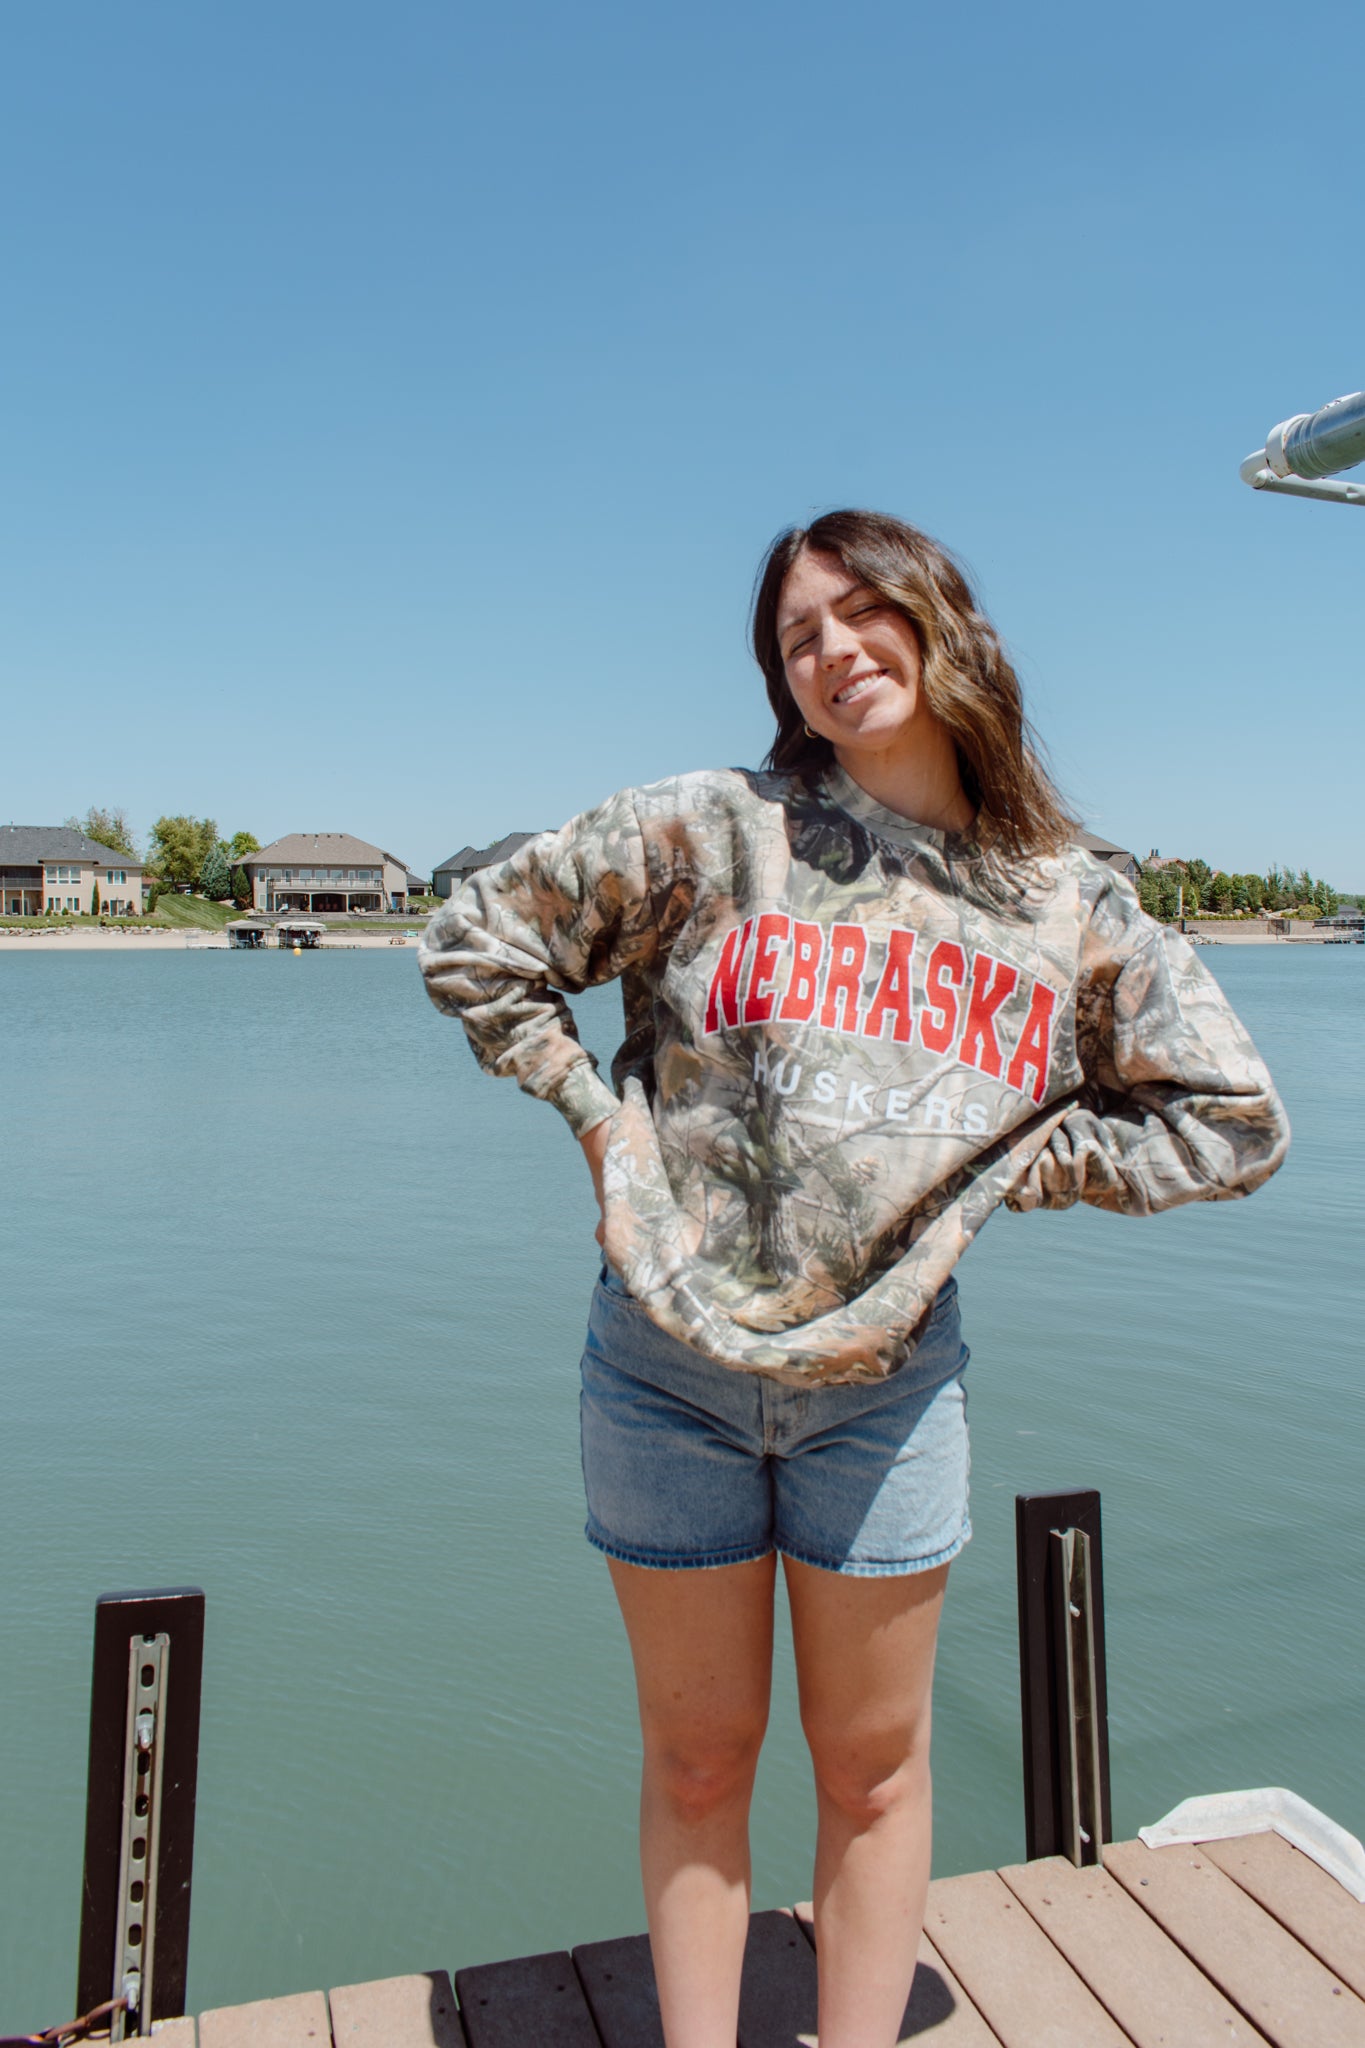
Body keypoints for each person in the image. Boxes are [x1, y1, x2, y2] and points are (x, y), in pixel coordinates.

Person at [419, 509, 1288, 2048]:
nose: (830, 651)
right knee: (695, 1764)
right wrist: (603, 1134)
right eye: (795, 635)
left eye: (858, 612)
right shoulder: (708, 827)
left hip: (884, 1395)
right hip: (663, 1371)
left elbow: (1231, 1123)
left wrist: (1005, 1160)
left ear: (941, 620)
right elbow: (478, 941)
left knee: (873, 1772)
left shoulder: (1063, 897)